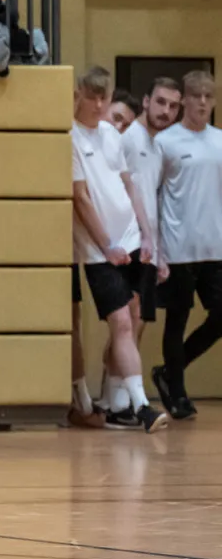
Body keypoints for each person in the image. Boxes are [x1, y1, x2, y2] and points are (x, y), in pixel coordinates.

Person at [71, 65, 167, 432]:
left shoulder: (111, 133)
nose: (98, 105)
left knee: (135, 318)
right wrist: (107, 246)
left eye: (104, 97)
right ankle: (141, 405)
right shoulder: (70, 138)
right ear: (78, 96)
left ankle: (119, 402)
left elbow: (130, 187)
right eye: (91, 97)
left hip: (131, 241)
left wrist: (147, 235)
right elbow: (81, 199)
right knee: (121, 322)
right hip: (100, 251)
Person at [155, 70, 222, 419]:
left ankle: (169, 372)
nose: (203, 102)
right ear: (185, 100)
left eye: (208, 96)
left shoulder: (220, 141)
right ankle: (178, 394)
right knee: (176, 321)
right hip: (178, 248)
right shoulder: (166, 142)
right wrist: (157, 248)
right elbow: (153, 194)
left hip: (215, 249)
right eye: (196, 96)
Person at [120, 75, 178, 363]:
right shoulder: (130, 138)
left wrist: (159, 252)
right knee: (128, 325)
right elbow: (122, 190)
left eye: (173, 106)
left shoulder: (159, 146)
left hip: (149, 249)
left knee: (136, 326)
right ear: (146, 101)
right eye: (160, 102)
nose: (165, 111)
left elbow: (153, 199)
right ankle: (123, 390)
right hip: (131, 242)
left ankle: (114, 388)